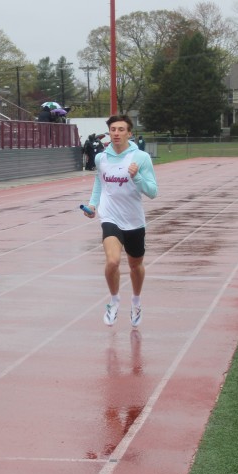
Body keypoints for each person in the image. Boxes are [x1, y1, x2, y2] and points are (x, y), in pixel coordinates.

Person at [82, 114, 158, 328]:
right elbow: (99, 182)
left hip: (134, 220)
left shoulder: (141, 157)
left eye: (121, 129)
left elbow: (153, 192)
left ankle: (136, 301)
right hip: (110, 217)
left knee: (136, 266)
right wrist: (93, 205)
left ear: (129, 133)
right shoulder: (101, 158)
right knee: (113, 261)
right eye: (113, 129)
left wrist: (137, 177)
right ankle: (114, 301)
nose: (116, 133)